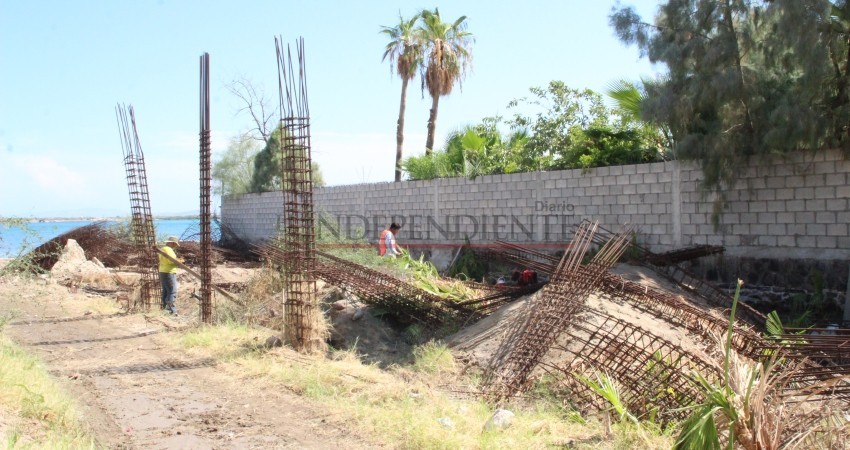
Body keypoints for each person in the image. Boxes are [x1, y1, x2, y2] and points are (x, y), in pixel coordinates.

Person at [158, 236, 183, 315]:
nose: (175, 246)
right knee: (172, 291)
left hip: (163, 271)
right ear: (172, 243)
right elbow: (172, 261)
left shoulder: (163, 249)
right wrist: (180, 261)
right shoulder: (168, 249)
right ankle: (172, 311)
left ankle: (164, 309)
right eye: (175, 244)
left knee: (166, 291)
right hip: (169, 272)